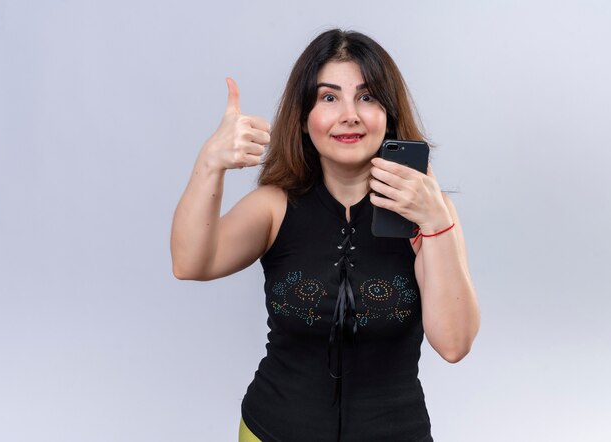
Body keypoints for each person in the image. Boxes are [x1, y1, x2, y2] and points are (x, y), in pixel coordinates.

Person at [171, 29, 480, 442]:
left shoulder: (430, 213)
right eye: (329, 97)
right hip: (272, 429)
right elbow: (190, 262)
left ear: (388, 113)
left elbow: (454, 343)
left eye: (367, 97)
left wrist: (435, 222)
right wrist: (210, 163)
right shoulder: (274, 206)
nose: (349, 114)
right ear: (303, 117)